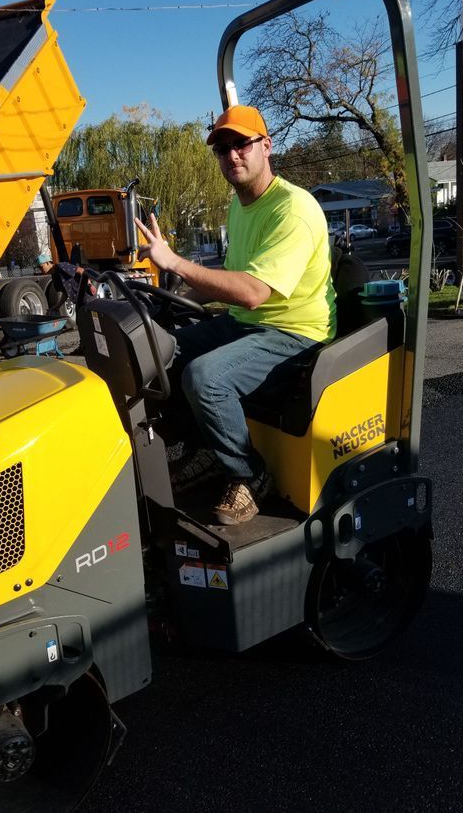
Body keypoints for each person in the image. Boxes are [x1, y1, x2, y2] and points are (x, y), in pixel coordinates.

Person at [133, 104, 336, 526]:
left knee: (205, 378)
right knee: (157, 351)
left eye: (241, 144)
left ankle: (250, 474)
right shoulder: (240, 206)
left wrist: (175, 264)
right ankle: (208, 449)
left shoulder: (293, 209)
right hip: (250, 325)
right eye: (222, 149)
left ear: (266, 146)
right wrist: (171, 299)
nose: (232, 156)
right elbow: (231, 276)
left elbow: (253, 293)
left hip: (295, 334)